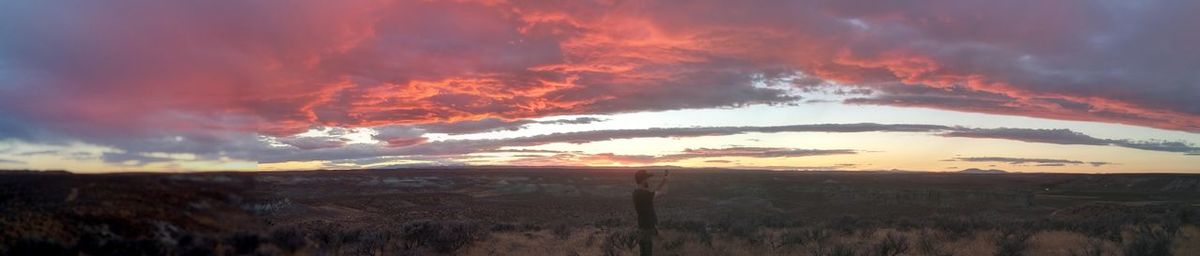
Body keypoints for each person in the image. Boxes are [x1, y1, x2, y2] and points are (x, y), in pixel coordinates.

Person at [632, 169, 668, 256]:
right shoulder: (644, 194)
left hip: (643, 227)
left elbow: (654, 192)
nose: (648, 181)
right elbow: (663, 192)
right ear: (643, 180)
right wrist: (666, 180)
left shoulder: (637, 193)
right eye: (647, 179)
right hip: (647, 229)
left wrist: (663, 180)